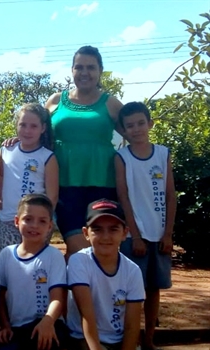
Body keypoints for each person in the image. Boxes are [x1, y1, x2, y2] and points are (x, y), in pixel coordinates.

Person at [66, 199, 158, 350]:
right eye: (97, 229)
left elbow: (132, 327)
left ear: (125, 233)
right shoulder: (79, 262)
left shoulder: (132, 271)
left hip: (122, 342)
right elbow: (86, 315)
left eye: (113, 229)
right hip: (86, 339)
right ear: (85, 233)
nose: (105, 236)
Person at [45, 46, 124, 260]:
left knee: (97, 250)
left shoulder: (110, 103)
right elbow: (35, 132)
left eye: (91, 67)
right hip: (63, 187)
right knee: (78, 247)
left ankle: (80, 293)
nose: (84, 72)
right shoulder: (55, 101)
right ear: (72, 70)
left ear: (100, 71)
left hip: (103, 186)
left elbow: (136, 134)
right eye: (79, 67)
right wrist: (17, 141)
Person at [115, 101, 176, 350]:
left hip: (159, 235)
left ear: (150, 124)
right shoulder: (122, 157)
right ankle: (131, 343)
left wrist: (168, 233)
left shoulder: (163, 154)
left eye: (141, 123)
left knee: (154, 290)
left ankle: (149, 340)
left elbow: (170, 195)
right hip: (134, 237)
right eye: (130, 126)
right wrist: (135, 235)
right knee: (131, 292)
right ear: (123, 131)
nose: (137, 129)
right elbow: (123, 196)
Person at [0, 194, 66, 350]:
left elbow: (58, 297)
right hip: (17, 330)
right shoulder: (6, 255)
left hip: (47, 325)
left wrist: (48, 321)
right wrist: (5, 325)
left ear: (50, 226)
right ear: (16, 221)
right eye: (28, 219)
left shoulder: (54, 256)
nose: (34, 226)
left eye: (42, 221)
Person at [0, 103, 59, 250]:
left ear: (43, 128)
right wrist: (0, 199)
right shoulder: (6, 150)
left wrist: (44, 221)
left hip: (35, 223)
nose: (27, 131)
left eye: (33, 126)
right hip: (8, 219)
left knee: (34, 264)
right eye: (23, 125)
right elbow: (0, 176)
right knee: (8, 263)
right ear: (16, 126)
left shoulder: (48, 157)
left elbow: (52, 196)